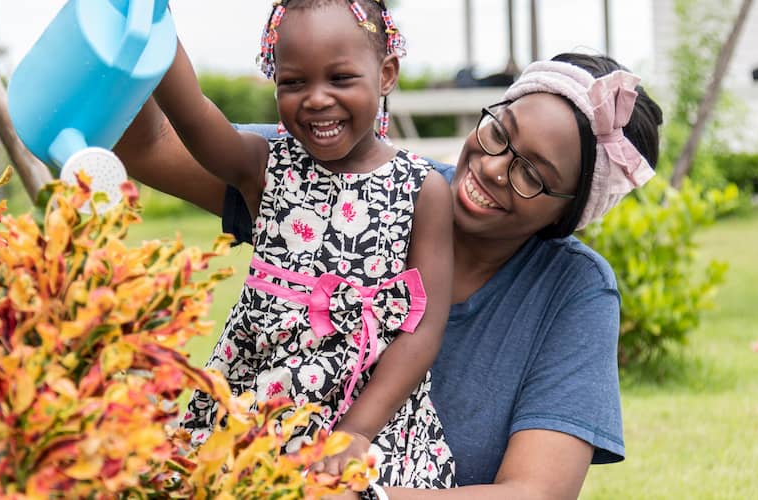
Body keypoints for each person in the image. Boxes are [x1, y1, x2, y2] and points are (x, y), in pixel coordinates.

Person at [116, 50, 663, 498]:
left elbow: (534, 493)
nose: (494, 167)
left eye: (532, 176)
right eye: (500, 132)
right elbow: (150, 144)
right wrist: (137, 32)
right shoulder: (353, 178)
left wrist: (344, 493)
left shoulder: (572, 291)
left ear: (565, 215)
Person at [149, 0, 457, 488]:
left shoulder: (423, 190)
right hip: (260, 404)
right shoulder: (265, 164)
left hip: (368, 416)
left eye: (340, 78)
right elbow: (196, 116)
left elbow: (421, 332)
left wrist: (356, 434)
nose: (316, 99)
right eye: (293, 82)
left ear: (386, 74)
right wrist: (151, 25)